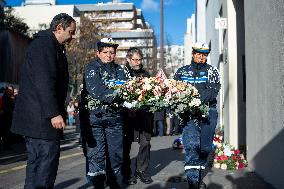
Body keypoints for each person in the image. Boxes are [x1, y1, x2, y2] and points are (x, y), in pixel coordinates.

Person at [10, 13, 76, 188]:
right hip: (40, 121)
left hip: (39, 120)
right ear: (59, 28)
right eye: (71, 32)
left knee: (37, 166)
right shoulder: (44, 45)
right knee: (44, 167)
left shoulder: (50, 45)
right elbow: (43, 81)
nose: (72, 36)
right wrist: (54, 113)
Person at [80, 37, 126, 189]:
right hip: (95, 119)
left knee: (116, 155)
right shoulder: (92, 68)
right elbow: (96, 90)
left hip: (115, 119)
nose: (109, 55)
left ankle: (115, 183)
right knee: (96, 155)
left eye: (112, 52)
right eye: (105, 52)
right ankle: (97, 185)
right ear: (98, 53)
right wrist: (117, 96)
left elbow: (127, 90)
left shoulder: (120, 70)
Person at [174, 42, 221, 189]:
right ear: (193, 54)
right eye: (198, 54)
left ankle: (199, 175)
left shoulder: (212, 71)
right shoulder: (182, 72)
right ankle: (193, 181)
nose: (201, 57)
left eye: (204, 55)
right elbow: (175, 91)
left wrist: (192, 98)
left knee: (205, 148)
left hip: (208, 113)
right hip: (188, 115)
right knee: (192, 145)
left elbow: (212, 92)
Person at [121, 47, 154, 185]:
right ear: (128, 59)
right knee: (126, 145)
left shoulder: (145, 73)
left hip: (143, 115)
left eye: (140, 59)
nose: (138, 62)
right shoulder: (122, 73)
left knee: (145, 143)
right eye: (135, 59)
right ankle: (127, 173)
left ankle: (141, 170)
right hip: (127, 115)